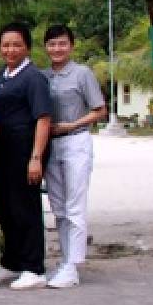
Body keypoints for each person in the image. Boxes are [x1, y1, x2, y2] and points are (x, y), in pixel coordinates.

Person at [0, 22, 53, 290]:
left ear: (27, 47)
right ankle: (12, 261)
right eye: (5, 45)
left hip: (25, 151)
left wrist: (36, 157)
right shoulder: (3, 75)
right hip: (4, 153)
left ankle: (33, 267)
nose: (10, 49)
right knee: (5, 207)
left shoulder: (34, 77)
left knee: (26, 208)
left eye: (16, 44)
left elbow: (43, 118)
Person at [43, 24, 107, 289]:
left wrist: (72, 125)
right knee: (58, 207)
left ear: (71, 46)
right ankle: (65, 260)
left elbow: (100, 110)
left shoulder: (82, 74)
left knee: (75, 205)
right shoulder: (42, 75)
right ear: (45, 47)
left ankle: (73, 264)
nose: (57, 49)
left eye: (62, 44)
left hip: (76, 141)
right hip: (51, 145)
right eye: (52, 44)